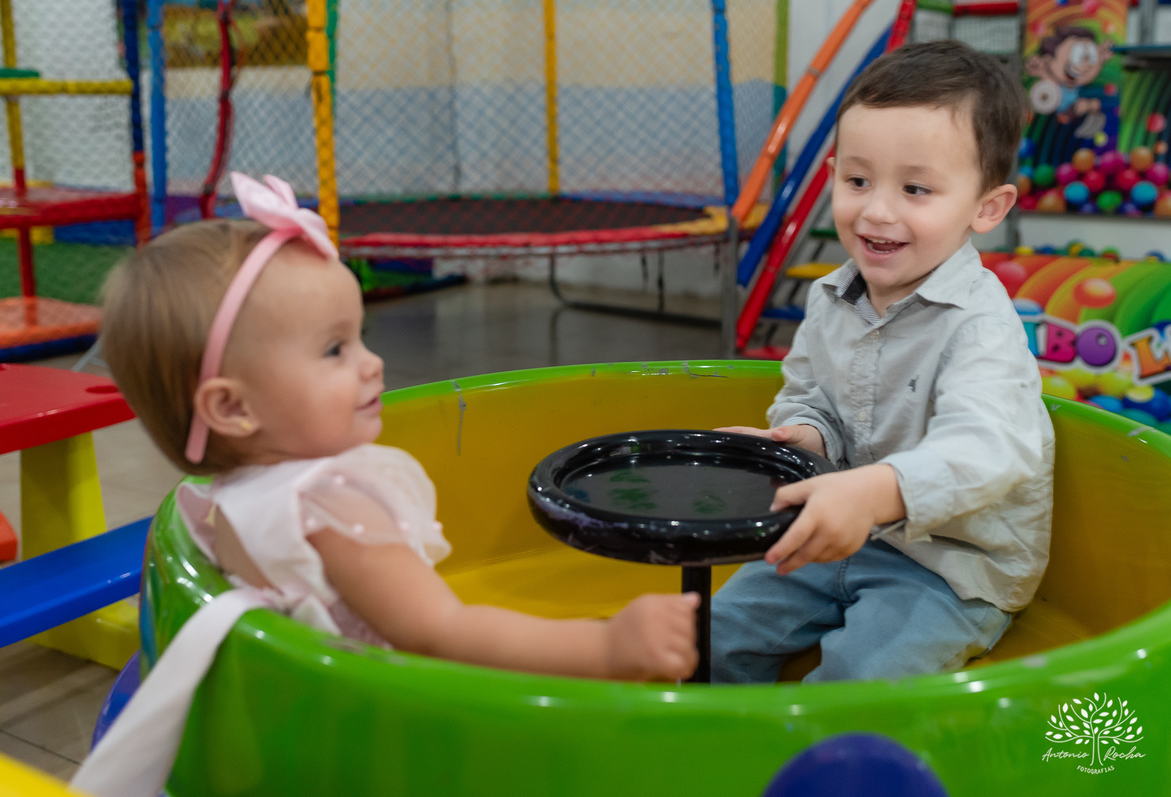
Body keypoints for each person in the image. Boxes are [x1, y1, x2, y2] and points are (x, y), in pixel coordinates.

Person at [101, 173, 698, 683]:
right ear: (232, 409)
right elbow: (443, 631)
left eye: (360, 334)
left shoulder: (227, 498)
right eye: (335, 349)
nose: (373, 362)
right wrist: (606, 645)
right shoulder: (331, 511)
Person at [711, 40, 1054, 684]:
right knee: (705, 638)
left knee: (859, 682)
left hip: (950, 569)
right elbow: (812, 399)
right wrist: (795, 441)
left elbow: (988, 448)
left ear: (987, 207)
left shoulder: (980, 325)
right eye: (857, 180)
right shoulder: (828, 298)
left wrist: (876, 491)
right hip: (836, 536)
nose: (876, 210)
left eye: (916, 188)